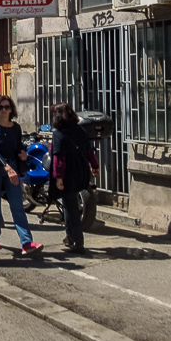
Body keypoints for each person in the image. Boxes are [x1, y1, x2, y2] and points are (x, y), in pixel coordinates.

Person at [0, 95, 43, 256]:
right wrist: (7, 168)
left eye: (7, 107)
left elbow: (18, 146)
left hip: (13, 166)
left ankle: (26, 242)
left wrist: (22, 153)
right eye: (0, 107)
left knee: (17, 205)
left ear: (11, 110)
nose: (4, 110)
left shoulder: (15, 128)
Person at [50, 102, 100, 254]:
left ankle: (78, 243)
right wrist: (95, 166)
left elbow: (59, 157)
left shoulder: (59, 134)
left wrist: (58, 177)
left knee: (71, 208)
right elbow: (90, 151)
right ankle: (70, 237)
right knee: (68, 205)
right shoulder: (81, 130)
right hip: (81, 172)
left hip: (67, 175)